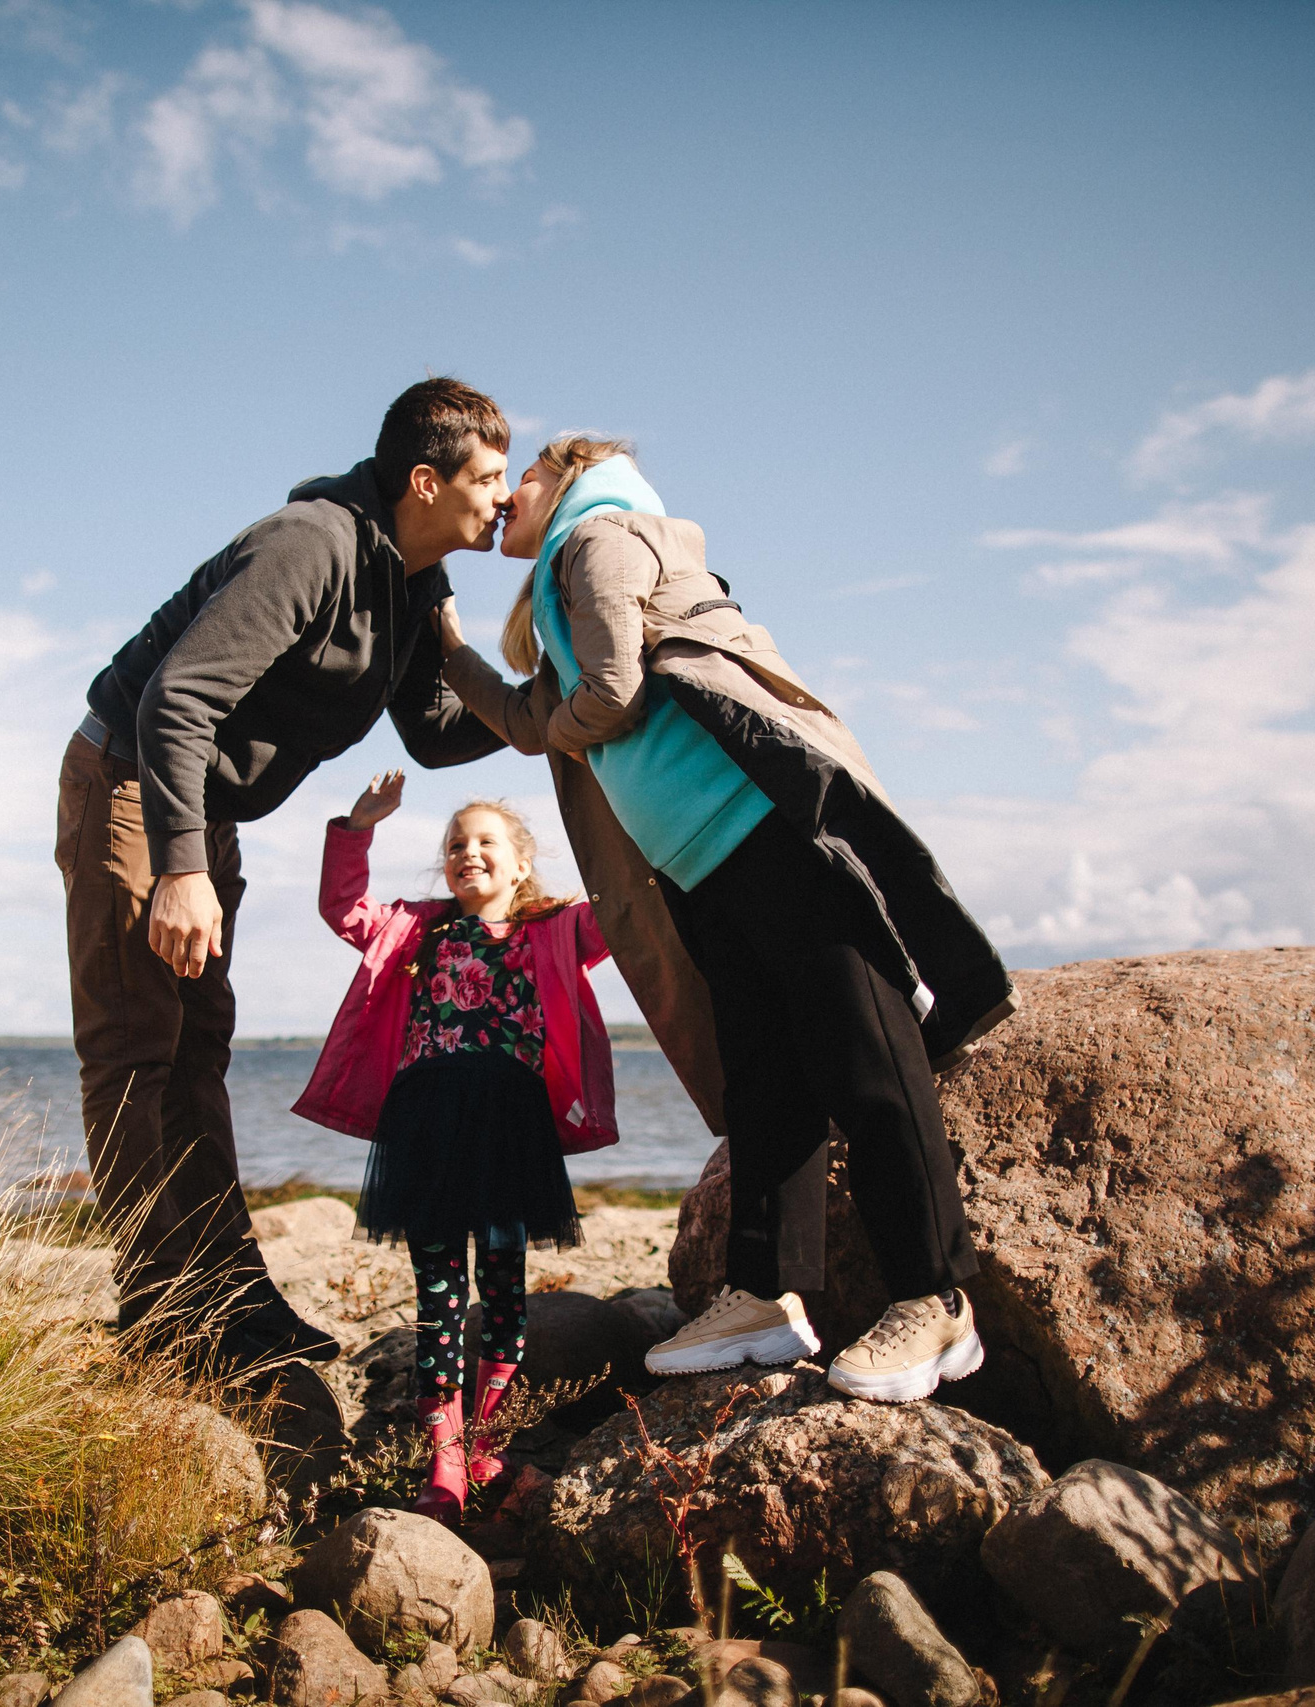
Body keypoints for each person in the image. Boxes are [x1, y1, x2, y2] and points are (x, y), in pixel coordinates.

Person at [436, 435, 1018, 1404]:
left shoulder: (600, 537)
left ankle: (934, 1298)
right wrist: (448, 651)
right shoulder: (556, 591)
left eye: (522, 478)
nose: (506, 499)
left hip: (771, 827)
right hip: (702, 866)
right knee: (765, 1084)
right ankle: (763, 1297)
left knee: (866, 1055)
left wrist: (565, 708)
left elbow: (611, 695)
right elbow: (540, 720)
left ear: (569, 474)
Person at [58, 379, 513, 1373]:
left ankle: (229, 1298)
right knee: (137, 1045)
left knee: (195, 1049)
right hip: (134, 777)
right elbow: (177, 700)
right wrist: (181, 869)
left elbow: (436, 734)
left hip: (195, 802)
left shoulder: (412, 577)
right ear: (425, 480)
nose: (505, 497)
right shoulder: (310, 545)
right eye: (488, 478)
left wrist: (571, 705)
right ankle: (161, 1312)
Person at [291, 773, 613, 1523]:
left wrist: (615, 807)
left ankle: (487, 1440)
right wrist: (355, 827)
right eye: (456, 844)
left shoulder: (557, 928)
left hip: (510, 1126)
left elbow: (626, 908)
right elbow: (343, 909)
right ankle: (445, 1455)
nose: (468, 852)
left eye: (485, 841)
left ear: (522, 862)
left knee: (502, 1287)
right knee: (439, 1296)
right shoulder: (417, 928)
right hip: (428, 1124)